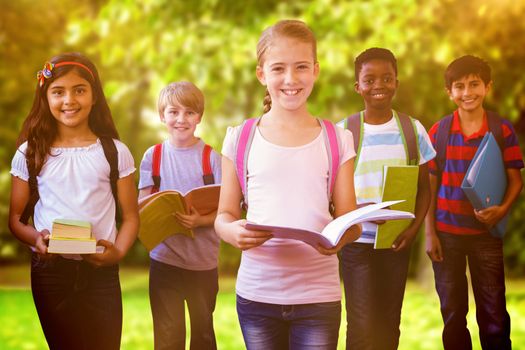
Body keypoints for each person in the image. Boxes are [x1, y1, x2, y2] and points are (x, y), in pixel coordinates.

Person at [214, 19, 360, 350]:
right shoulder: (239, 139)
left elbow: (349, 220)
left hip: (318, 296)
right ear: (262, 74)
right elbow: (223, 214)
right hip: (256, 294)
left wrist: (341, 237)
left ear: (316, 70)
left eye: (301, 67)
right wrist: (231, 232)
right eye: (278, 68)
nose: (291, 79)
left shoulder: (338, 140)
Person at [8, 52, 139, 350]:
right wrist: (36, 239)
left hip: (101, 271)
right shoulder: (30, 153)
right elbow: (15, 220)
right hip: (50, 272)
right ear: (46, 98)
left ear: (94, 97)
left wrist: (117, 253)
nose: (69, 100)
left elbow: (131, 217)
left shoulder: (115, 151)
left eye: (79, 90)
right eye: (58, 92)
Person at [338, 47, 436, 350]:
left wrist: (413, 229)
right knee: (361, 324)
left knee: (389, 321)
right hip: (356, 243)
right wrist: (357, 210)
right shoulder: (345, 132)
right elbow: (332, 192)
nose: (378, 85)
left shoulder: (412, 130)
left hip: (396, 242)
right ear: (358, 87)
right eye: (369, 80)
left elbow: (424, 188)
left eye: (386, 78)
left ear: (396, 82)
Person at [425, 55, 524, 350]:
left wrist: (502, 210)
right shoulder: (438, 132)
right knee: (453, 314)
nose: (467, 92)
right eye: (459, 86)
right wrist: (429, 234)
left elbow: (516, 180)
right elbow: (430, 186)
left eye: (474, 84)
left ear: (488, 86)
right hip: (446, 235)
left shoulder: (501, 129)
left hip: (486, 236)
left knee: (493, 313)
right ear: (449, 92)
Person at [138, 81, 221, 350]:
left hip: (203, 264)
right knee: (167, 336)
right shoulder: (154, 156)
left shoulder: (213, 159)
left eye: (189, 112)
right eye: (173, 112)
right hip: (165, 261)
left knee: (203, 335)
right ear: (162, 116)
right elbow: (141, 204)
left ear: (199, 117)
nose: (181, 119)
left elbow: (228, 209)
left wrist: (201, 221)